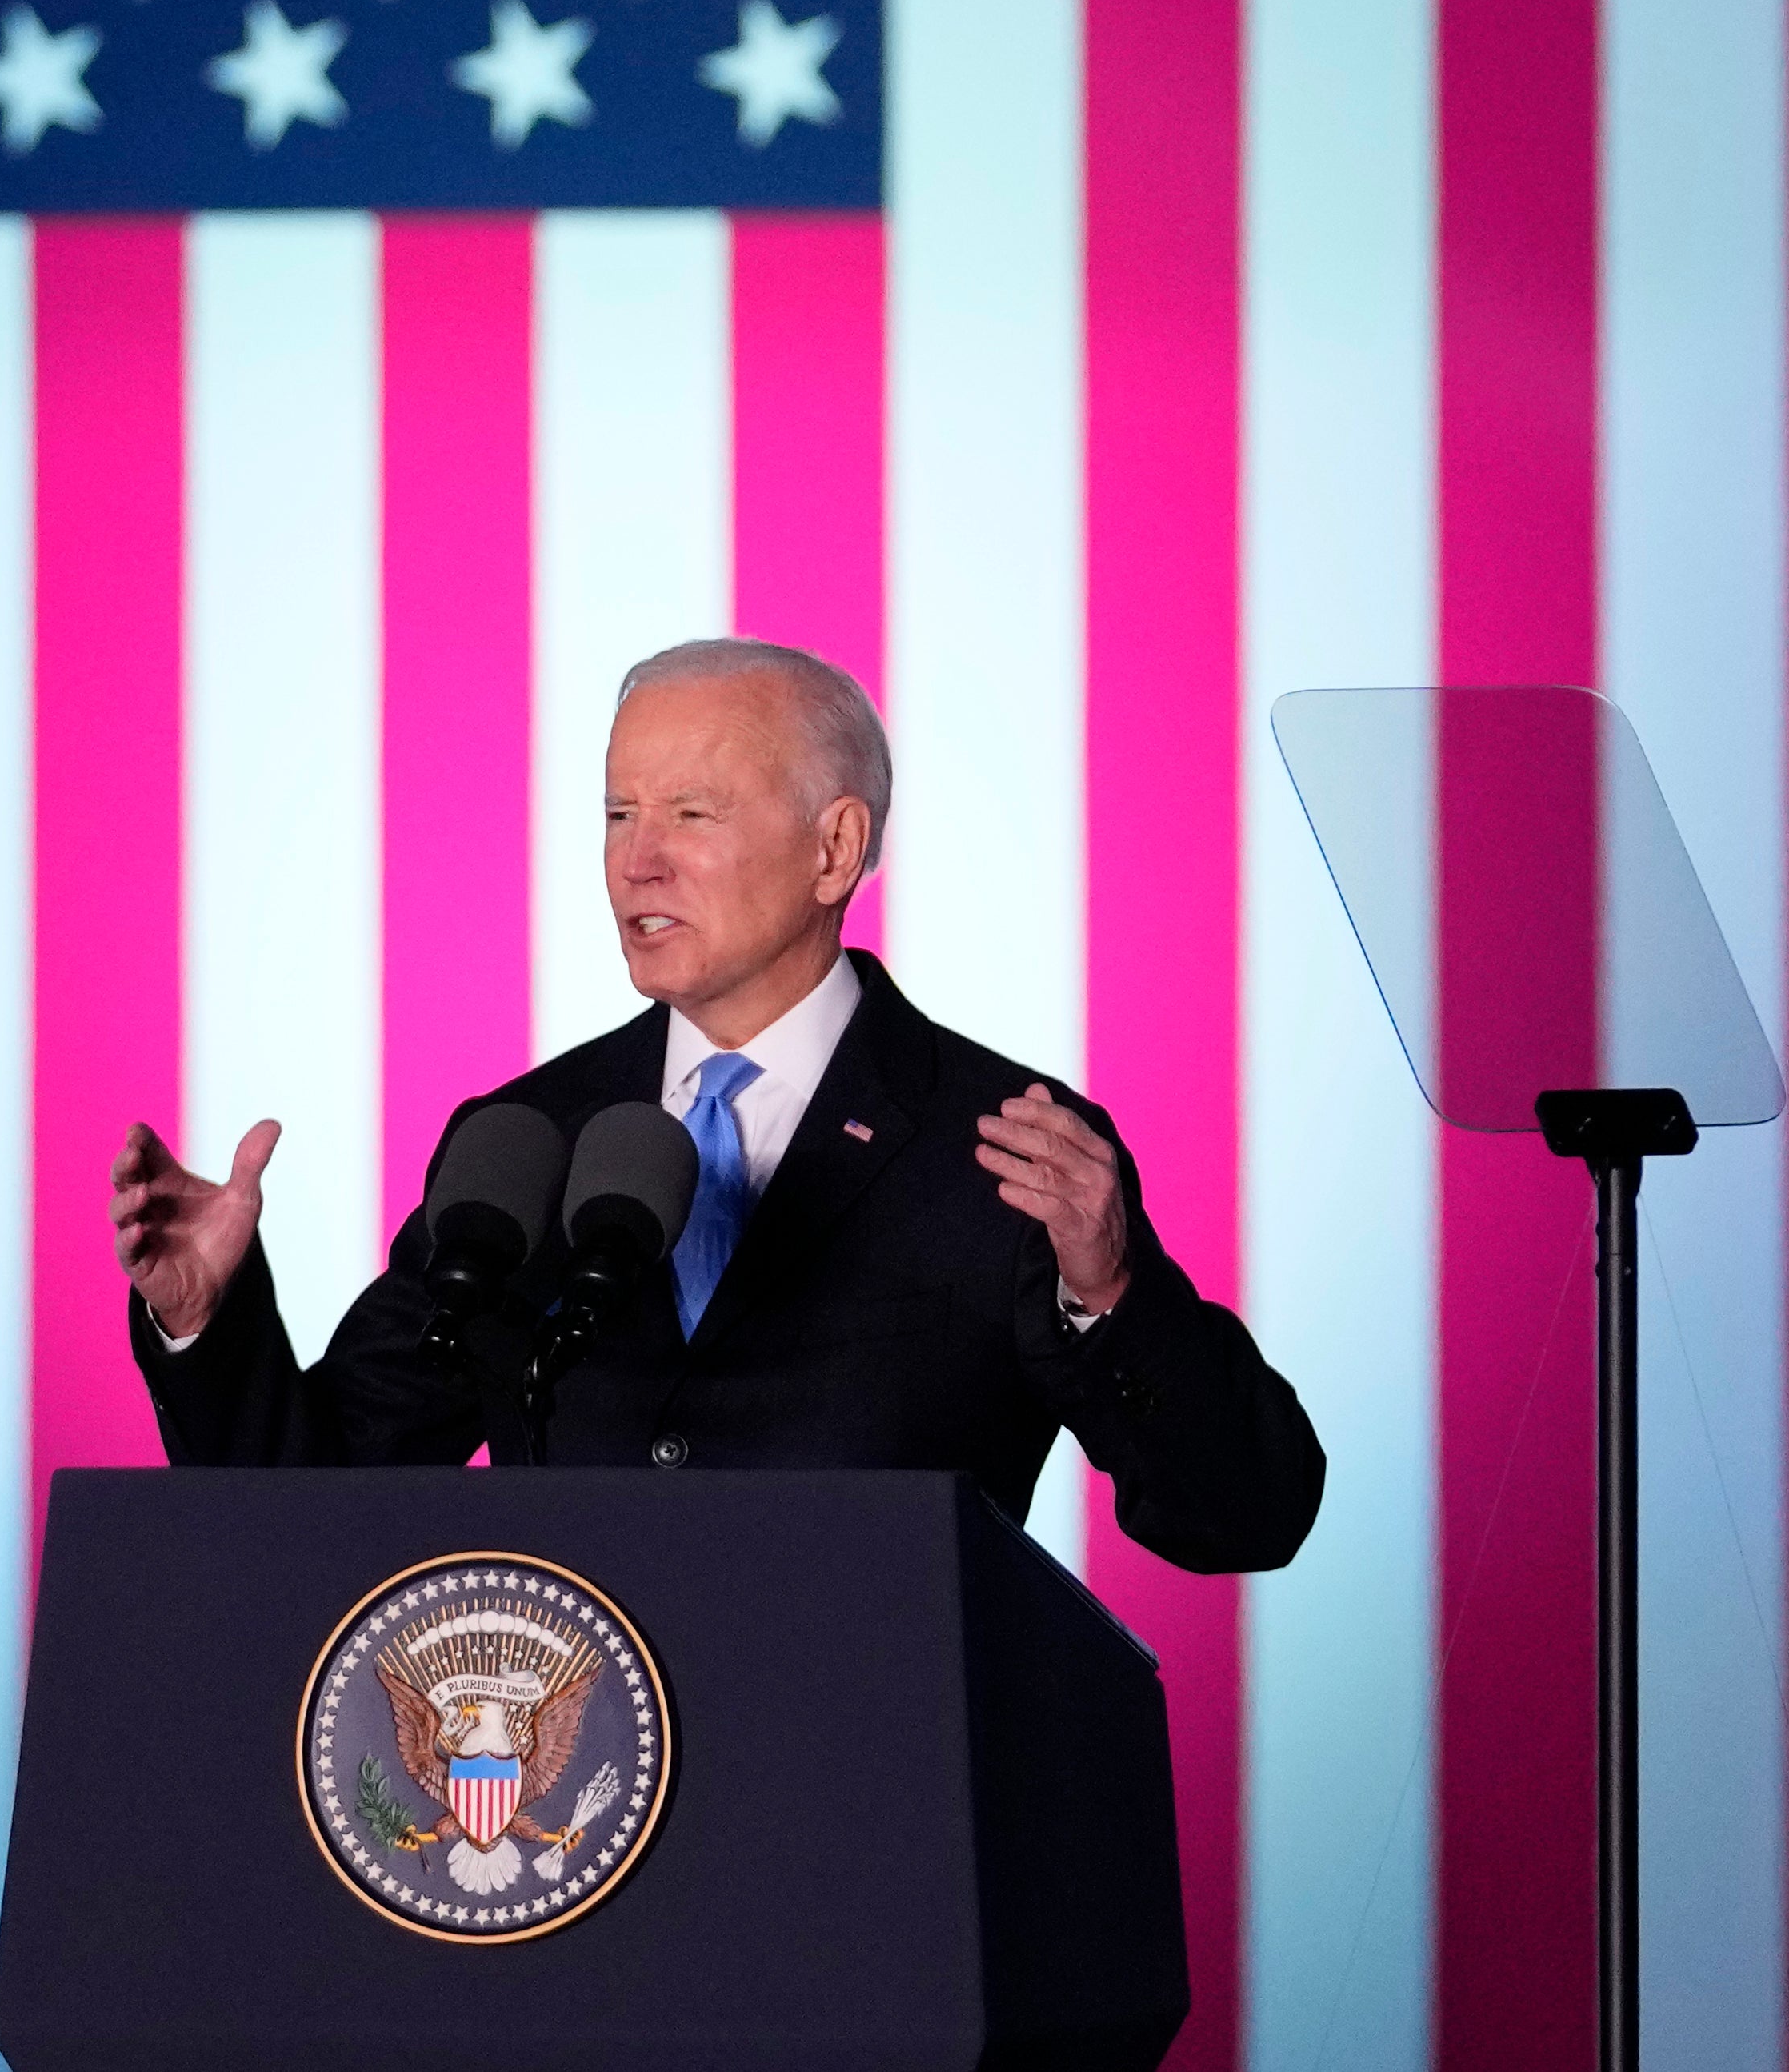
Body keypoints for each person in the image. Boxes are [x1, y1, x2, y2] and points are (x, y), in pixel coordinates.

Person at [108, 638, 1324, 1573]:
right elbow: (310, 1499)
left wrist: (1110, 1297)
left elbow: (1245, 1515)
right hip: (568, 1827)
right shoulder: (523, 1142)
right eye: (617, 814)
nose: (637, 859)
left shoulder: (1002, 1145)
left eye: (690, 814)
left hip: (878, 1829)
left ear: (833, 849)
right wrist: (206, 1325)